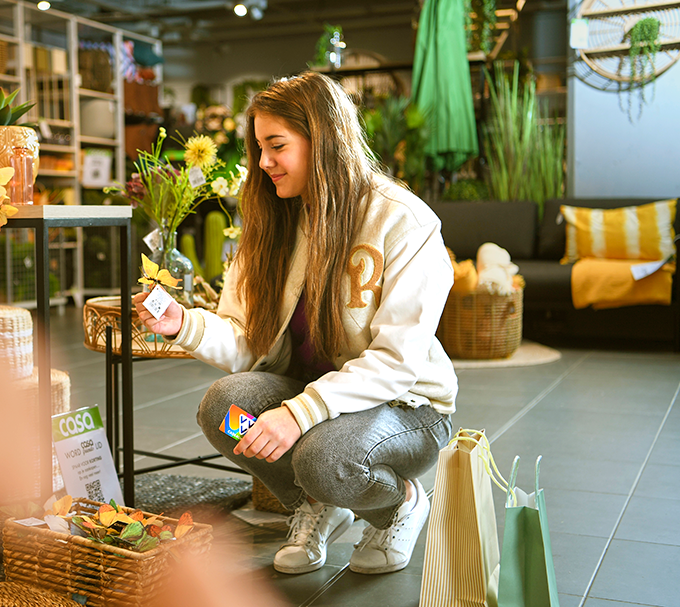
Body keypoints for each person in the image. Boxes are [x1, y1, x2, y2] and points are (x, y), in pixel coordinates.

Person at [134, 71, 457, 576]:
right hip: (313, 398)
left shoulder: (404, 222)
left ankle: (397, 505)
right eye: (259, 147)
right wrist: (183, 324)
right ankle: (318, 503)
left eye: (276, 145)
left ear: (322, 139)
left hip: (404, 408)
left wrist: (298, 414)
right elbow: (246, 342)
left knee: (323, 457)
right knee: (225, 409)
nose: (263, 163)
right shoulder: (272, 221)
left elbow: (396, 363)